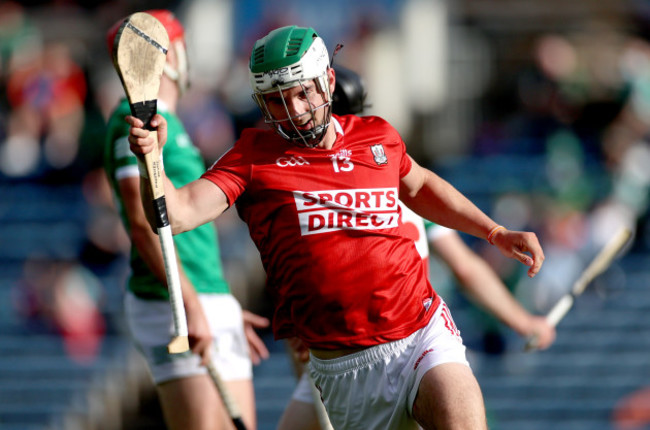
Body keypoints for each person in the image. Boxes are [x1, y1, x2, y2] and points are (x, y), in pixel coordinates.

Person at [126, 25, 546, 430]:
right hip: (345, 366)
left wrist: (494, 232)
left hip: (422, 331)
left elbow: (419, 185)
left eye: (302, 92)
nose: (295, 110)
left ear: (327, 81)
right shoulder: (251, 157)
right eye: (277, 100)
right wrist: (153, 163)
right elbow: (175, 215)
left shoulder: (378, 136)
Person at [276, 65, 556, 430]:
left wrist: (521, 319)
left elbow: (465, 267)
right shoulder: (303, 195)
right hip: (341, 361)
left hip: (409, 346)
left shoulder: (398, 189)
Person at [103, 10, 269, 430]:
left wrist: (221, 304)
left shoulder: (171, 123)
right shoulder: (133, 117)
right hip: (172, 300)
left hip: (204, 296)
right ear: (166, 53)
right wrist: (193, 307)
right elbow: (142, 224)